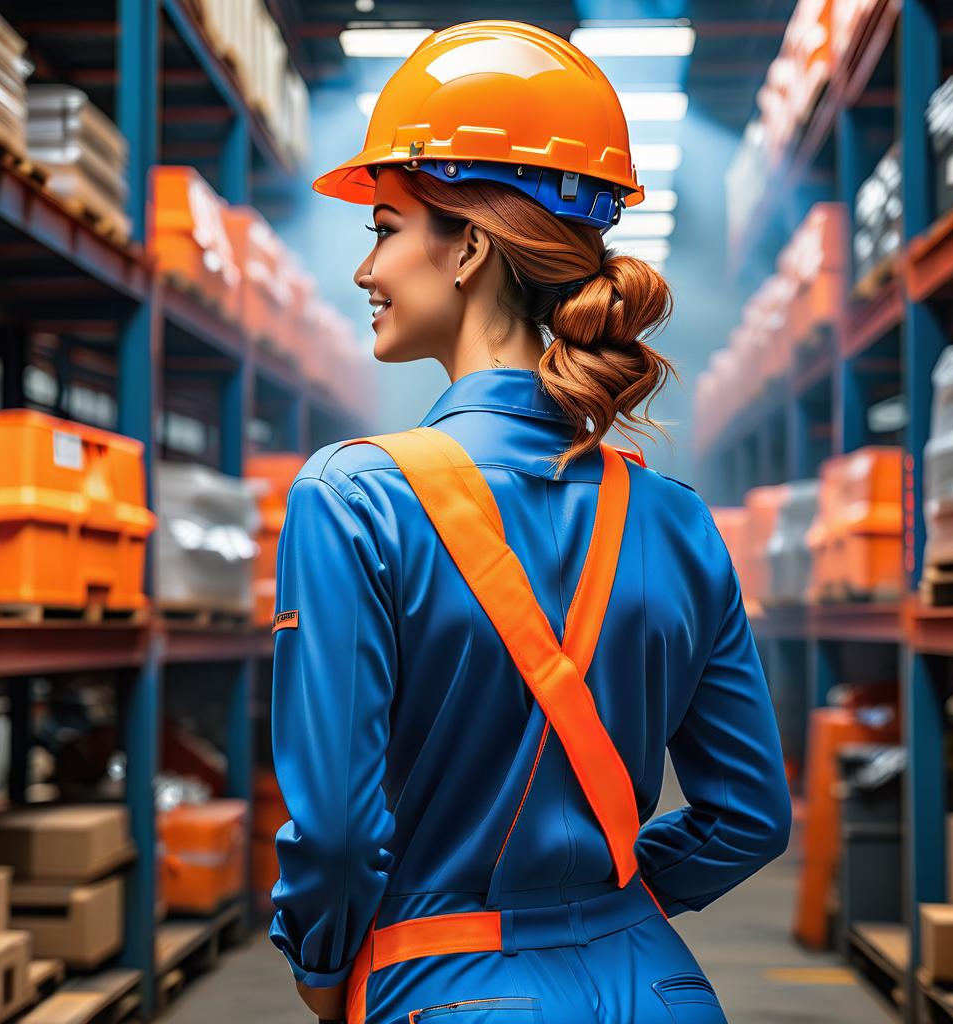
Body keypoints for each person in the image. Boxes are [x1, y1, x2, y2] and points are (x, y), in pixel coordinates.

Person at [269, 20, 791, 1024]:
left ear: (465, 245)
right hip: (665, 989)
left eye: (383, 227)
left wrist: (325, 962)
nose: (363, 271)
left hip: (451, 987)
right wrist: (606, 909)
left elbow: (335, 834)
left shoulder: (354, 499)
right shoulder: (675, 518)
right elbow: (750, 818)